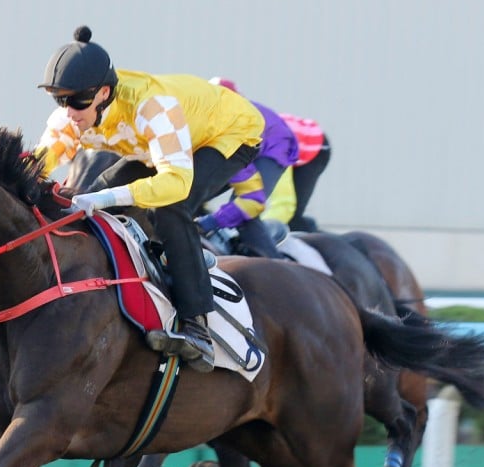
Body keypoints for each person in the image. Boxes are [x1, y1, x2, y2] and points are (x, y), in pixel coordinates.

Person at [35, 27, 265, 372]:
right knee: (89, 202)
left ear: (104, 93)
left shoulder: (152, 107)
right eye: (60, 99)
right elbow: (41, 160)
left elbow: (174, 183)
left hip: (228, 133)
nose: (69, 111)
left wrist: (106, 197)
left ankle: (196, 325)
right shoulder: (73, 113)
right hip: (160, 146)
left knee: (170, 206)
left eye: (77, 101)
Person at [193, 77, 299, 259]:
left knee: (245, 213)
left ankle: (274, 263)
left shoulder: (233, 130)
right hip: (252, 141)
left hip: (274, 145)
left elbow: (251, 200)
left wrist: (209, 222)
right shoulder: (204, 124)